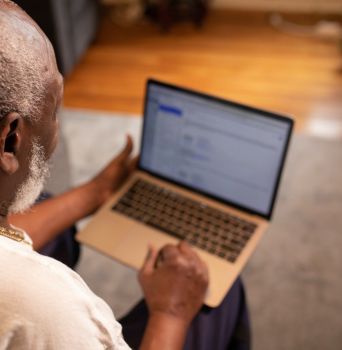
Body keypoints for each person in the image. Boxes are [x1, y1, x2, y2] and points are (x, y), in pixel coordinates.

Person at [0, 1, 250, 349]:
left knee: (53, 215)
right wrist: (171, 313)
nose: (56, 125)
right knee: (217, 293)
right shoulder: (48, 309)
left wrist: (96, 192)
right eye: (54, 108)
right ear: (11, 139)